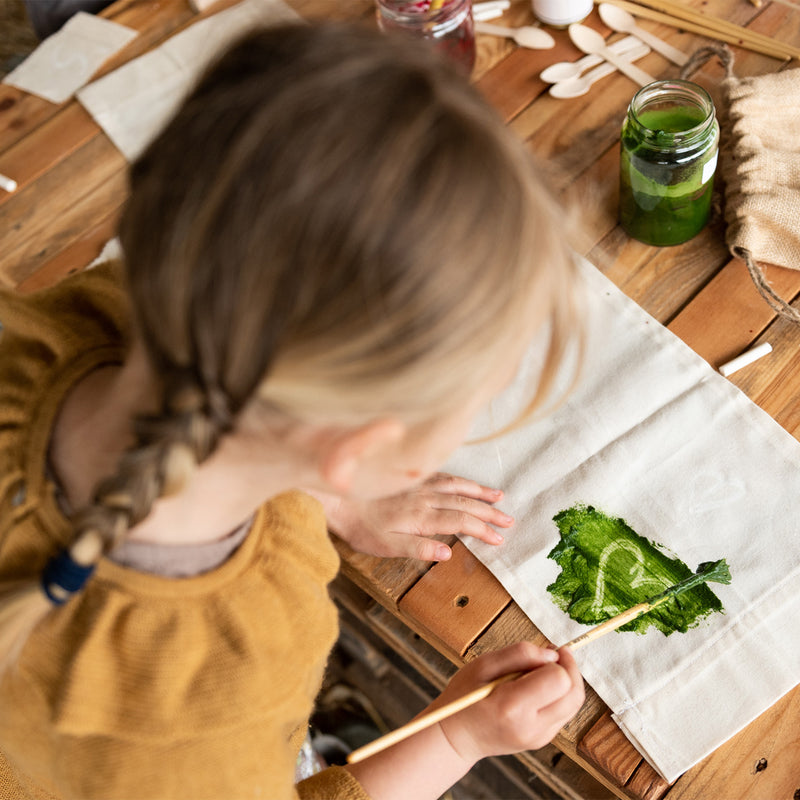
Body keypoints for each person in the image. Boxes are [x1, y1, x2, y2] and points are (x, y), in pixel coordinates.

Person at [0, 22, 584, 800]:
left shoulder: (50, 329)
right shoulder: (212, 692)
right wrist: (457, 734)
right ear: (364, 447)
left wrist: (327, 494)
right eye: (480, 400)